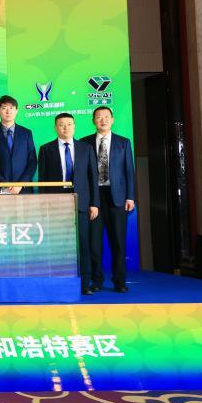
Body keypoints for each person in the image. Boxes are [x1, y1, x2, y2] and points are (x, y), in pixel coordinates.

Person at [38, 113, 100, 295]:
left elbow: (93, 177)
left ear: (74, 126)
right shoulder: (46, 149)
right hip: (56, 203)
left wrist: (94, 203)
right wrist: (44, 203)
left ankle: (85, 284)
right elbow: (42, 179)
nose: (66, 128)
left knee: (83, 244)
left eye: (69, 124)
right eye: (62, 124)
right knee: (59, 245)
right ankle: (60, 282)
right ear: (55, 127)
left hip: (81, 202)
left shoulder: (86, 148)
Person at [81, 106, 136, 293]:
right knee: (94, 244)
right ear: (93, 121)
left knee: (118, 242)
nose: (103, 120)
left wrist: (130, 196)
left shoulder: (123, 142)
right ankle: (97, 281)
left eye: (106, 117)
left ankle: (119, 281)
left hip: (117, 198)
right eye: (99, 117)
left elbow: (129, 171)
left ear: (112, 120)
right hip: (94, 199)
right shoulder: (85, 143)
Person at [0, 95, 37, 194]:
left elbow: (32, 161)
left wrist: (20, 184)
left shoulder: (26, 133)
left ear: (16, 110)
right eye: (4, 108)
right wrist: (5, 184)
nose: (8, 111)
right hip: (0, 188)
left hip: (24, 189)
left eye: (11, 108)